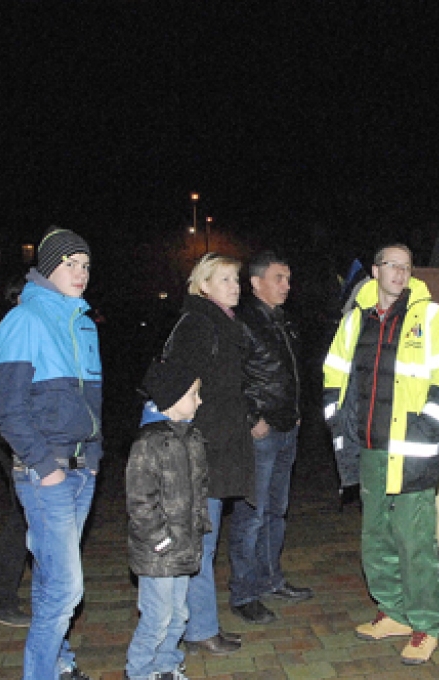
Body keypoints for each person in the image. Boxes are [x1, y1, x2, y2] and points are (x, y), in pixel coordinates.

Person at [323, 243, 439, 665]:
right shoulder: (355, 322)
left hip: (411, 451)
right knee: (376, 538)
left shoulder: (431, 318)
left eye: (406, 267)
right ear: (375, 271)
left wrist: (427, 429)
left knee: (414, 541)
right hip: (368, 447)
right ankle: (394, 613)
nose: (399, 274)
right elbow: (334, 374)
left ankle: (425, 624)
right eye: (392, 266)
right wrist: (337, 422)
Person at [0, 227, 102, 680]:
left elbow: (91, 405)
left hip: (83, 472)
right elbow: (9, 412)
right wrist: (45, 468)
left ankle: (59, 661)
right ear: (48, 267)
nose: (79, 274)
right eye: (69, 264)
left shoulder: (84, 323)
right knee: (65, 589)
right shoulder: (25, 319)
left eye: (85, 266)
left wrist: (93, 460)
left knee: (49, 579)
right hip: (49, 474)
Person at [172, 253, 253, 656]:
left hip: (218, 447)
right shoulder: (200, 325)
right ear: (203, 284)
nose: (234, 286)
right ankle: (199, 629)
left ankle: (200, 625)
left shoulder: (223, 324)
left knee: (205, 539)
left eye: (236, 279)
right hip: (204, 448)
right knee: (201, 541)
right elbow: (180, 387)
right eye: (224, 279)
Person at [228, 252, 313, 625]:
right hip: (261, 433)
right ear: (256, 282)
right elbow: (229, 377)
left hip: (286, 428)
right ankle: (244, 592)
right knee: (252, 514)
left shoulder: (283, 321)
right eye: (279, 278)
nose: (287, 286)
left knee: (276, 511)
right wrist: (252, 419)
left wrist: (294, 413)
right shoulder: (243, 321)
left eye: (289, 279)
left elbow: (290, 372)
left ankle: (270, 578)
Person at [125, 357, 209, 680]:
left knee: (178, 614)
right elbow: (140, 500)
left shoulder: (192, 437)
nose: (199, 401)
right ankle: (138, 670)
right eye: (194, 394)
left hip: (183, 545)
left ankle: (165, 666)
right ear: (172, 399)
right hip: (158, 551)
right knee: (157, 616)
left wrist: (200, 524)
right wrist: (160, 539)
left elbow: (199, 488)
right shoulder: (148, 443)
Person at [0, 276, 31, 628]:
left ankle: (4, 596)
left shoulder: (15, 326)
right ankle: (0, 599)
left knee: (27, 516)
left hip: (17, 435)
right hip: (16, 436)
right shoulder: (12, 329)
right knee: (24, 517)